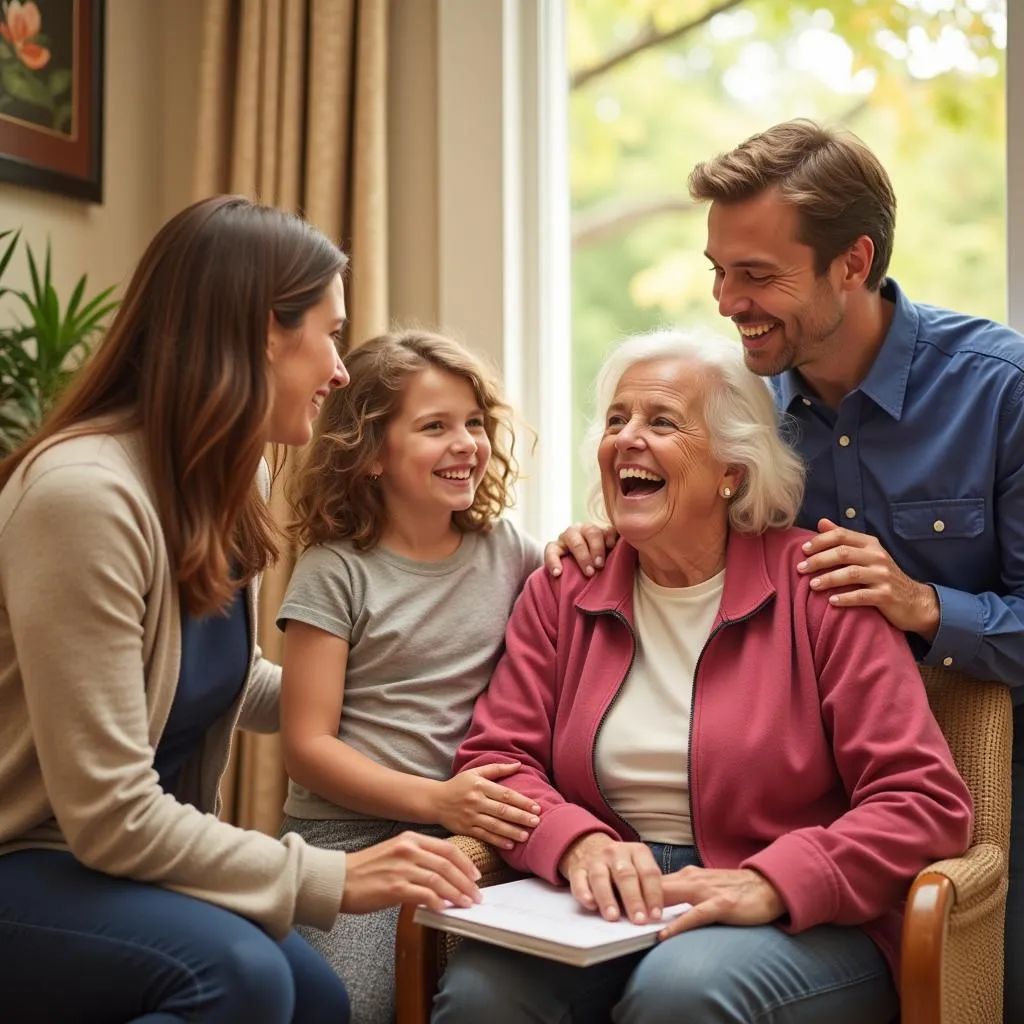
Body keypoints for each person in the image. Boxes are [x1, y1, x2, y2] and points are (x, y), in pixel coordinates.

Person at [549, 118, 1024, 1020]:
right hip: (788, 792)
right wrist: (613, 533)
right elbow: (686, 550)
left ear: (854, 261)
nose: (728, 301)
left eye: (758, 274)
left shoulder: (1001, 391)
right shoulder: (740, 409)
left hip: (985, 766)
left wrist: (927, 607)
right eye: (718, 270)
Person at [0, 196, 485, 1024]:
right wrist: (331, 876)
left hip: (116, 858)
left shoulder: (233, 480)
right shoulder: (84, 497)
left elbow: (221, 677)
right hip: (33, 858)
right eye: (328, 332)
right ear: (263, 331)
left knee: (319, 1000)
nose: (339, 369)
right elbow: (111, 814)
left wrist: (391, 689)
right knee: (241, 981)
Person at [436, 327, 973, 1024]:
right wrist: (576, 842)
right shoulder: (565, 588)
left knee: (681, 992)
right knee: (484, 994)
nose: (628, 438)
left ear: (732, 468)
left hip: (797, 916)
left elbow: (924, 801)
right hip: (608, 901)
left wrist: (774, 880)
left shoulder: (821, 586)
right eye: (617, 420)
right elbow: (498, 761)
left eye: (662, 422)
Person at [275, 328, 545, 1023]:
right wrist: (436, 801)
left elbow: (579, 602)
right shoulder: (334, 571)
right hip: (347, 837)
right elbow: (307, 746)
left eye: (475, 423)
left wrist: (590, 539)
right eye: (435, 427)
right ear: (368, 453)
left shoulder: (510, 550)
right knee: (354, 1007)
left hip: (469, 833)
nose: (467, 444)